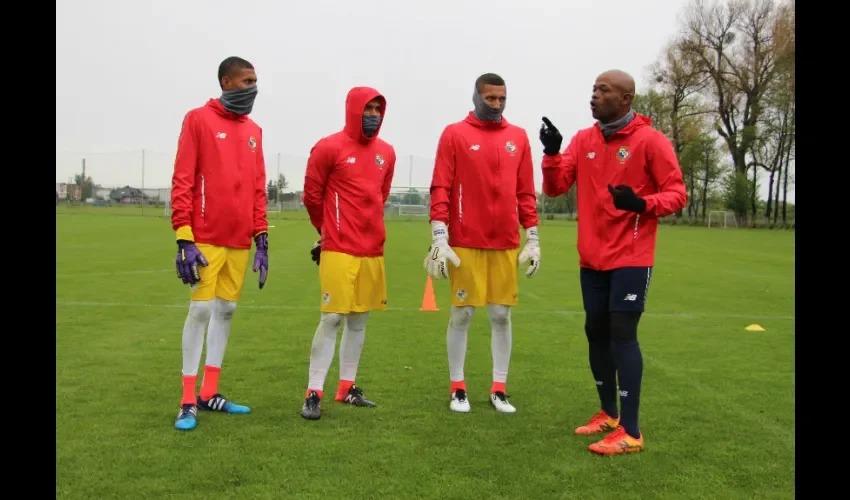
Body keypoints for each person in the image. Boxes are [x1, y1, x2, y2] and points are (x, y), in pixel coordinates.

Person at [539, 69, 687, 454]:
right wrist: (552, 154)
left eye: (602, 91)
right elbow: (556, 189)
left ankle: (632, 432)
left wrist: (641, 204)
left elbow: (677, 194)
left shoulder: (650, 141)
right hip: (592, 258)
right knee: (596, 332)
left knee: (623, 333)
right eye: (592, 89)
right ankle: (608, 413)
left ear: (625, 98)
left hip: (632, 256)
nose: (593, 96)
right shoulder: (584, 139)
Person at [425, 73, 540, 414]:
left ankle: (499, 388)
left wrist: (532, 237)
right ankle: (458, 387)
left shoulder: (517, 137)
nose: (497, 104)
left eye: (502, 98)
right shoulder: (455, 134)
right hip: (465, 242)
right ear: (476, 97)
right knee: (462, 314)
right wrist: (439, 234)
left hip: (505, 242)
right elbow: (441, 186)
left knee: (501, 315)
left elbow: (525, 191)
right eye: (490, 99)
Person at [170, 56, 270, 431]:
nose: (253, 88)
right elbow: (183, 179)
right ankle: (187, 398)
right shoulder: (197, 119)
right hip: (205, 239)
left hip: (240, 241)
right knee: (199, 312)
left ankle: (210, 392)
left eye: (256, 81)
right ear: (226, 82)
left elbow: (259, 188)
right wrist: (184, 235)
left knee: (226, 311)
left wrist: (261, 235)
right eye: (246, 81)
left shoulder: (254, 130)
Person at [300, 86, 396, 420]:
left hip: (372, 250)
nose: (373, 115)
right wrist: (325, 232)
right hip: (339, 247)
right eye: (367, 108)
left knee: (359, 319)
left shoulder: (387, 152)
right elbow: (312, 196)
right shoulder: (328, 147)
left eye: (377, 109)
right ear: (353, 109)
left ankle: (346, 388)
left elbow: (380, 196)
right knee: (332, 318)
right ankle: (314, 392)